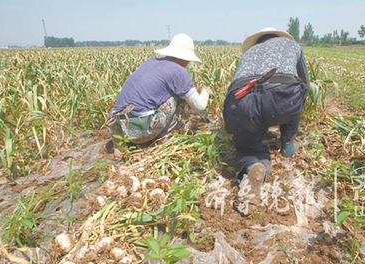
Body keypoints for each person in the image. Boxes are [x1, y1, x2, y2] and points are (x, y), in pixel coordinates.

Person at [223, 28, 310, 216]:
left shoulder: (249, 53)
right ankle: (287, 145)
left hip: (241, 101)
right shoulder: (291, 45)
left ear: (258, 42)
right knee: (295, 91)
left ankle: (252, 163)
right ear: (279, 38)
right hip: (282, 96)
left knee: (247, 145)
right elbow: (305, 82)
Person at [108, 34, 212, 157]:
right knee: (177, 97)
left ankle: (119, 150)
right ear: (186, 57)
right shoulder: (179, 71)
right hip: (139, 130)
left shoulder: (150, 62)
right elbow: (199, 107)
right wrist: (205, 92)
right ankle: (164, 140)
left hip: (115, 124)